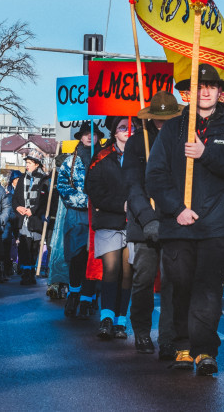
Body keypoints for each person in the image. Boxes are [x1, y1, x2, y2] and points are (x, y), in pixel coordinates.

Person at [147, 64, 224, 376]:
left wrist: (206, 153)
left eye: (211, 86)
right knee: (180, 288)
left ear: (220, 92)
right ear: (188, 93)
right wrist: (177, 208)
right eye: (199, 86)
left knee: (207, 291)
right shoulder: (172, 129)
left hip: (216, 227)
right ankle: (181, 345)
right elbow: (155, 177)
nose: (205, 91)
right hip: (178, 225)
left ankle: (205, 349)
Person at [125, 91, 181, 358]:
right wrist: (148, 218)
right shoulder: (137, 143)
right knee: (143, 280)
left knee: (173, 283)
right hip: (144, 224)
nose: (162, 122)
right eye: (158, 118)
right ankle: (142, 331)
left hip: (174, 221)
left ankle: (168, 338)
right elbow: (133, 186)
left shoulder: (182, 141)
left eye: (166, 118)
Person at [87, 115, 135, 340]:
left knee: (128, 272)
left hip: (134, 223)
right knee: (111, 269)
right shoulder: (102, 157)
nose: (128, 130)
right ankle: (106, 317)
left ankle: (121, 321)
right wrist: (120, 205)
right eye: (123, 127)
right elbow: (94, 190)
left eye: (131, 127)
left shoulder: (143, 155)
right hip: (108, 221)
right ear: (114, 132)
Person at [56, 122, 104, 319]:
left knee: (95, 258)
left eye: (92, 134)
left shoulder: (105, 158)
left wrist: (101, 201)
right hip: (77, 214)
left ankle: (89, 297)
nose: (88, 138)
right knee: (76, 257)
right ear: (80, 137)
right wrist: (85, 201)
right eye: (85, 134)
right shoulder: (70, 161)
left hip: (100, 213)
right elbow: (63, 187)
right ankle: (74, 294)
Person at [13, 156, 52, 286]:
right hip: (24, 219)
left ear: (36, 164)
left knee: (34, 247)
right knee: (25, 246)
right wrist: (18, 207)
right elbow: (15, 197)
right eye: (26, 163)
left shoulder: (44, 179)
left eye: (29, 163)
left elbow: (44, 200)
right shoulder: (23, 179)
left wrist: (33, 210)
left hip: (36, 219)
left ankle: (32, 273)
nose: (27, 165)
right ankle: (25, 274)